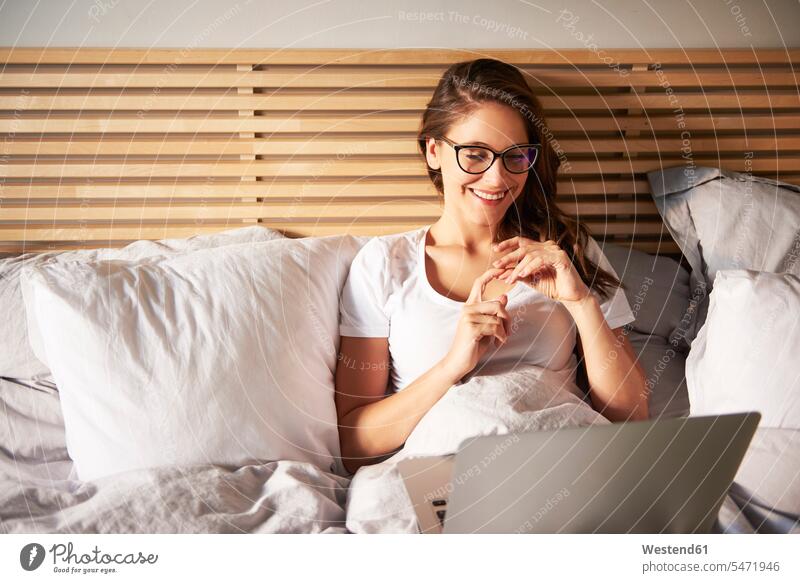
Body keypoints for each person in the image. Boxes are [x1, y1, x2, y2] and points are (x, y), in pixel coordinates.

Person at [335, 58, 648, 475]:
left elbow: (633, 416)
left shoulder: (567, 251)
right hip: (442, 476)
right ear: (433, 151)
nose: (498, 179)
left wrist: (583, 305)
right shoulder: (383, 265)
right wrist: (453, 365)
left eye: (515, 157)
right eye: (476, 154)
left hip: (557, 469)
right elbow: (354, 443)